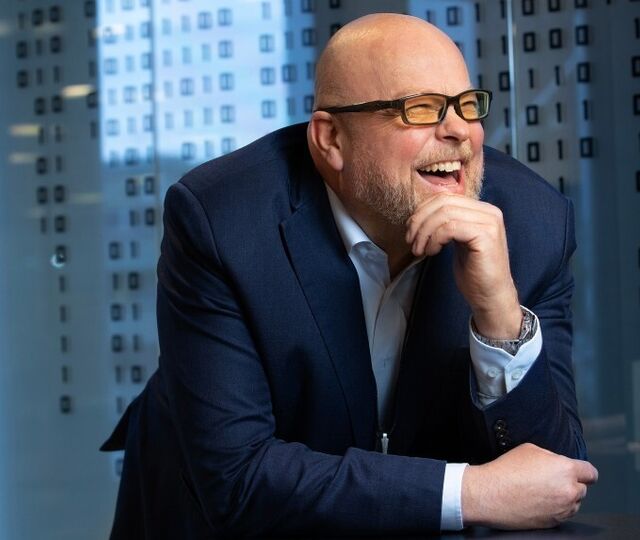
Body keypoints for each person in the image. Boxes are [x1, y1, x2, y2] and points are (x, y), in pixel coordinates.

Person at [102, 13, 598, 538]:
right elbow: (238, 479)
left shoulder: (533, 225)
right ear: (331, 139)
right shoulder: (222, 221)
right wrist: (472, 492)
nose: (458, 131)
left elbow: (554, 477)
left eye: (467, 105)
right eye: (420, 108)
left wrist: (499, 313)